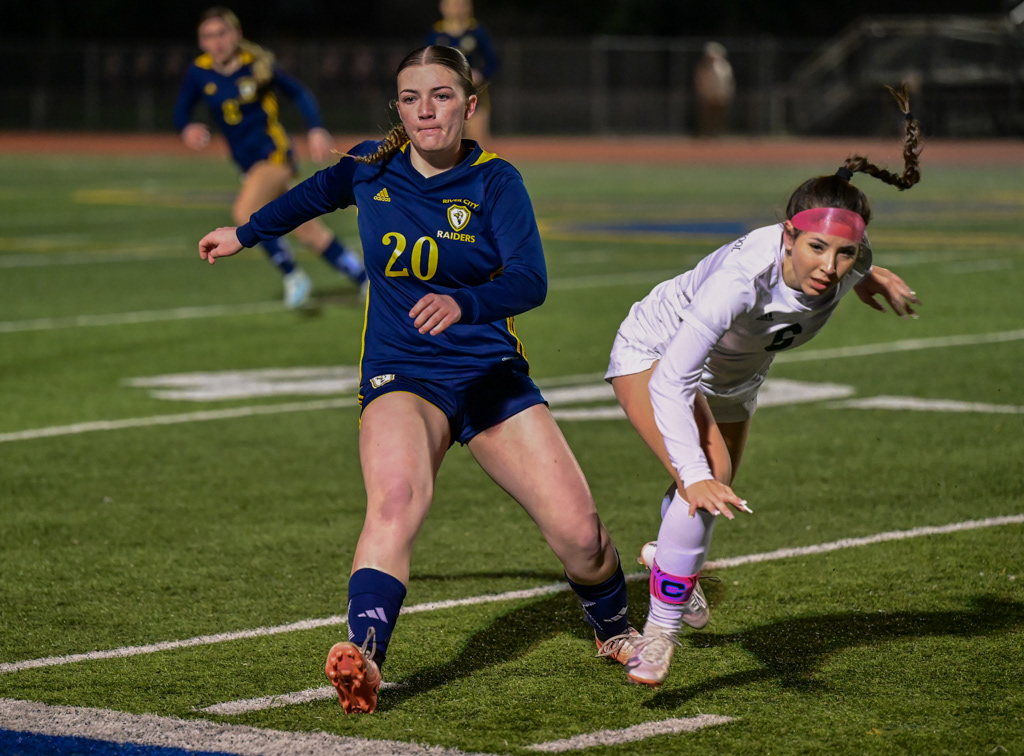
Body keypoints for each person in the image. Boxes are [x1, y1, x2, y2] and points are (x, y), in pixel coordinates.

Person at [197, 45, 637, 714]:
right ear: (398, 108)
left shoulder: (496, 182)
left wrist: (467, 302)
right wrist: (246, 231)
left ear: (468, 105)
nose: (426, 109)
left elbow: (529, 281)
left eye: (440, 95)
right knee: (396, 499)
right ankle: (365, 654)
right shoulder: (371, 166)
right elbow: (313, 193)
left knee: (583, 538)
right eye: (411, 97)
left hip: (489, 375)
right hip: (403, 375)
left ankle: (611, 626)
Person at [605, 84, 923, 687]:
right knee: (707, 478)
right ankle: (659, 633)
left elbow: (853, 259)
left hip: (737, 376)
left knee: (708, 492)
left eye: (845, 253)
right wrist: (695, 473)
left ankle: (668, 562)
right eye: (815, 248)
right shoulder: (740, 281)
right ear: (787, 235)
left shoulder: (846, 258)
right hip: (657, 352)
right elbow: (672, 379)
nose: (828, 266)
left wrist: (869, 276)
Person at [174, 6, 366, 309]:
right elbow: (181, 110)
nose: (216, 41)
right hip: (247, 164)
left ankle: (292, 275)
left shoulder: (257, 65)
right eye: (208, 36)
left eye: (222, 33)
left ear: (236, 34)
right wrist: (187, 128)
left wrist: (315, 128)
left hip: (275, 155)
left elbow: (299, 93)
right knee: (305, 226)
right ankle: (364, 278)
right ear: (201, 42)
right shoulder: (199, 71)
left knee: (244, 212)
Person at [425, 0, 499, 143]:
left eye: (461, 4)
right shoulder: (435, 34)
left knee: (477, 145)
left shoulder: (477, 32)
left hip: (473, 94)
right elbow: (426, 64)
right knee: (444, 145)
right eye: (452, 4)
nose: (456, 8)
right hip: (444, 98)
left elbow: (493, 62)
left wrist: (480, 74)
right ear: (442, 7)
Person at [693, 41, 735, 138]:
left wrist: (728, 93)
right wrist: (701, 93)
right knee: (706, 117)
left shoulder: (724, 67)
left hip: (721, 96)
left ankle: (717, 134)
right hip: (707, 96)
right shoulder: (703, 67)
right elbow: (699, 81)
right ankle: (706, 134)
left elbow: (729, 82)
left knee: (719, 117)